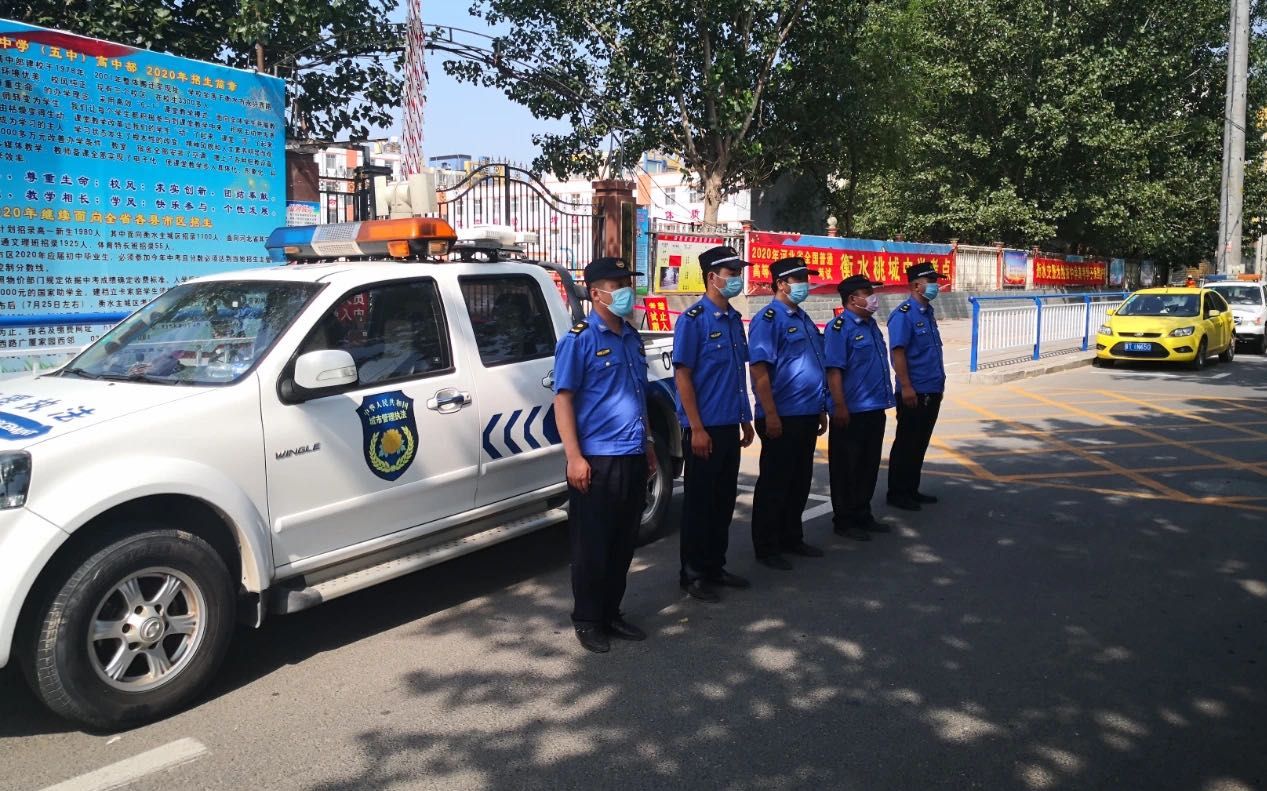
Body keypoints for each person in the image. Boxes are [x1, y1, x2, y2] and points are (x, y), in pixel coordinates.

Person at [553, 256, 658, 653]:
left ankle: (612, 613)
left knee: (622, 542)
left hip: (632, 453)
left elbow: (638, 396)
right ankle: (588, 619)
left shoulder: (631, 337)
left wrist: (649, 444)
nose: (625, 291)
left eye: (626, 283)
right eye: (617, 285)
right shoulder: (579, 340)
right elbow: (563, 400)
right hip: (597, 458)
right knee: (592, 546)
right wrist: (574, 458)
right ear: (596, 293)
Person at [673, 245, 756, 602]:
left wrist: (745, 419)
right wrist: (696, 428)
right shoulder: (693, 320)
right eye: (732, 273)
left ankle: (714, 566)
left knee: (723, 501)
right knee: (699, 504)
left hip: (729, 425)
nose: (737, 279)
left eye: (738, 272)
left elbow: (738, 374)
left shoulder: (734, 319)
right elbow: (683, 377)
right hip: (703, 428)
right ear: (712, 277)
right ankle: (692, 574)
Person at [747, 257, 828, 570]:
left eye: (806, 278)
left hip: (806, 412)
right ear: (781, 284)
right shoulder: (768, 319)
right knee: (775, 482)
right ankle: (767, 546)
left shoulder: (803, 317)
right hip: (781, 414)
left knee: (799, 479)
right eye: (798, 279)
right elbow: (759, 369)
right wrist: (770, 414)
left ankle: (792, 537)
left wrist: (819, 408)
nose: (805, 284)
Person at [825, 274, 894, 540]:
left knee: (868, 464)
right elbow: (834, 370)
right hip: (851, 410)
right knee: (846, 468)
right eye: (868, 293)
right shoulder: (839, 328)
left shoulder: (871, 325)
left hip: (874, 406)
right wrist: (839, 405)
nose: (873, 298)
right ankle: (844, 520)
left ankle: (863, 514)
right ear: (853, 299)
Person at [886, 261, 949, 511]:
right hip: (915, 390)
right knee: (907, 443)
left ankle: (911, 489)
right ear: (915, 285)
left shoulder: (927, 312)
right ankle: (897, 492)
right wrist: (906, 386)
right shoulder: (903, 315)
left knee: (920, 442)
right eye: (930, 281)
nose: (935, 285)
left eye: (935, 281)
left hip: (932, 388)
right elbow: (898, 353)